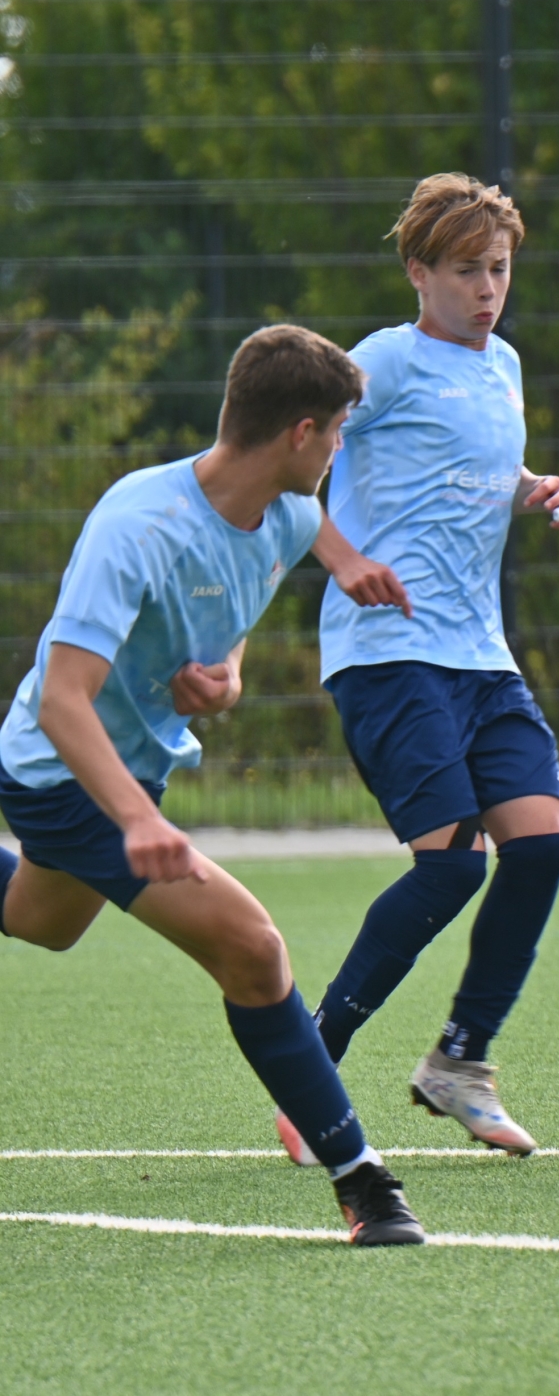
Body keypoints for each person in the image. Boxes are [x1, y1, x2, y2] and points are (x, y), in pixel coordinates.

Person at [0, 325, 424, 1244]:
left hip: (131, 773)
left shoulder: (292, 517)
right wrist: (135, 819)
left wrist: (225, 680)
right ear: (301, 433)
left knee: (42, 922)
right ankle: (364, 1184)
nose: (340, 448)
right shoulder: (137, 525)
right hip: (61, 773)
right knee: (254, 949)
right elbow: (64, 701)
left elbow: (229, 633)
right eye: (338, 431)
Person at [282, 174, 559, 1162]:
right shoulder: (384, 362)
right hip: (389, 653)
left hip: (481, 657)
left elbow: (465, 465)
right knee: (451, 867)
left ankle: (459, 1062)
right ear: (418, 271)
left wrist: (531, 488)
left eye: (498, 269)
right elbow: (283, 466)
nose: (486, 289)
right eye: (464, 271)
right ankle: (310, 1064)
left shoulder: (505, 366)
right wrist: (343, 559)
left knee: (539, 847)